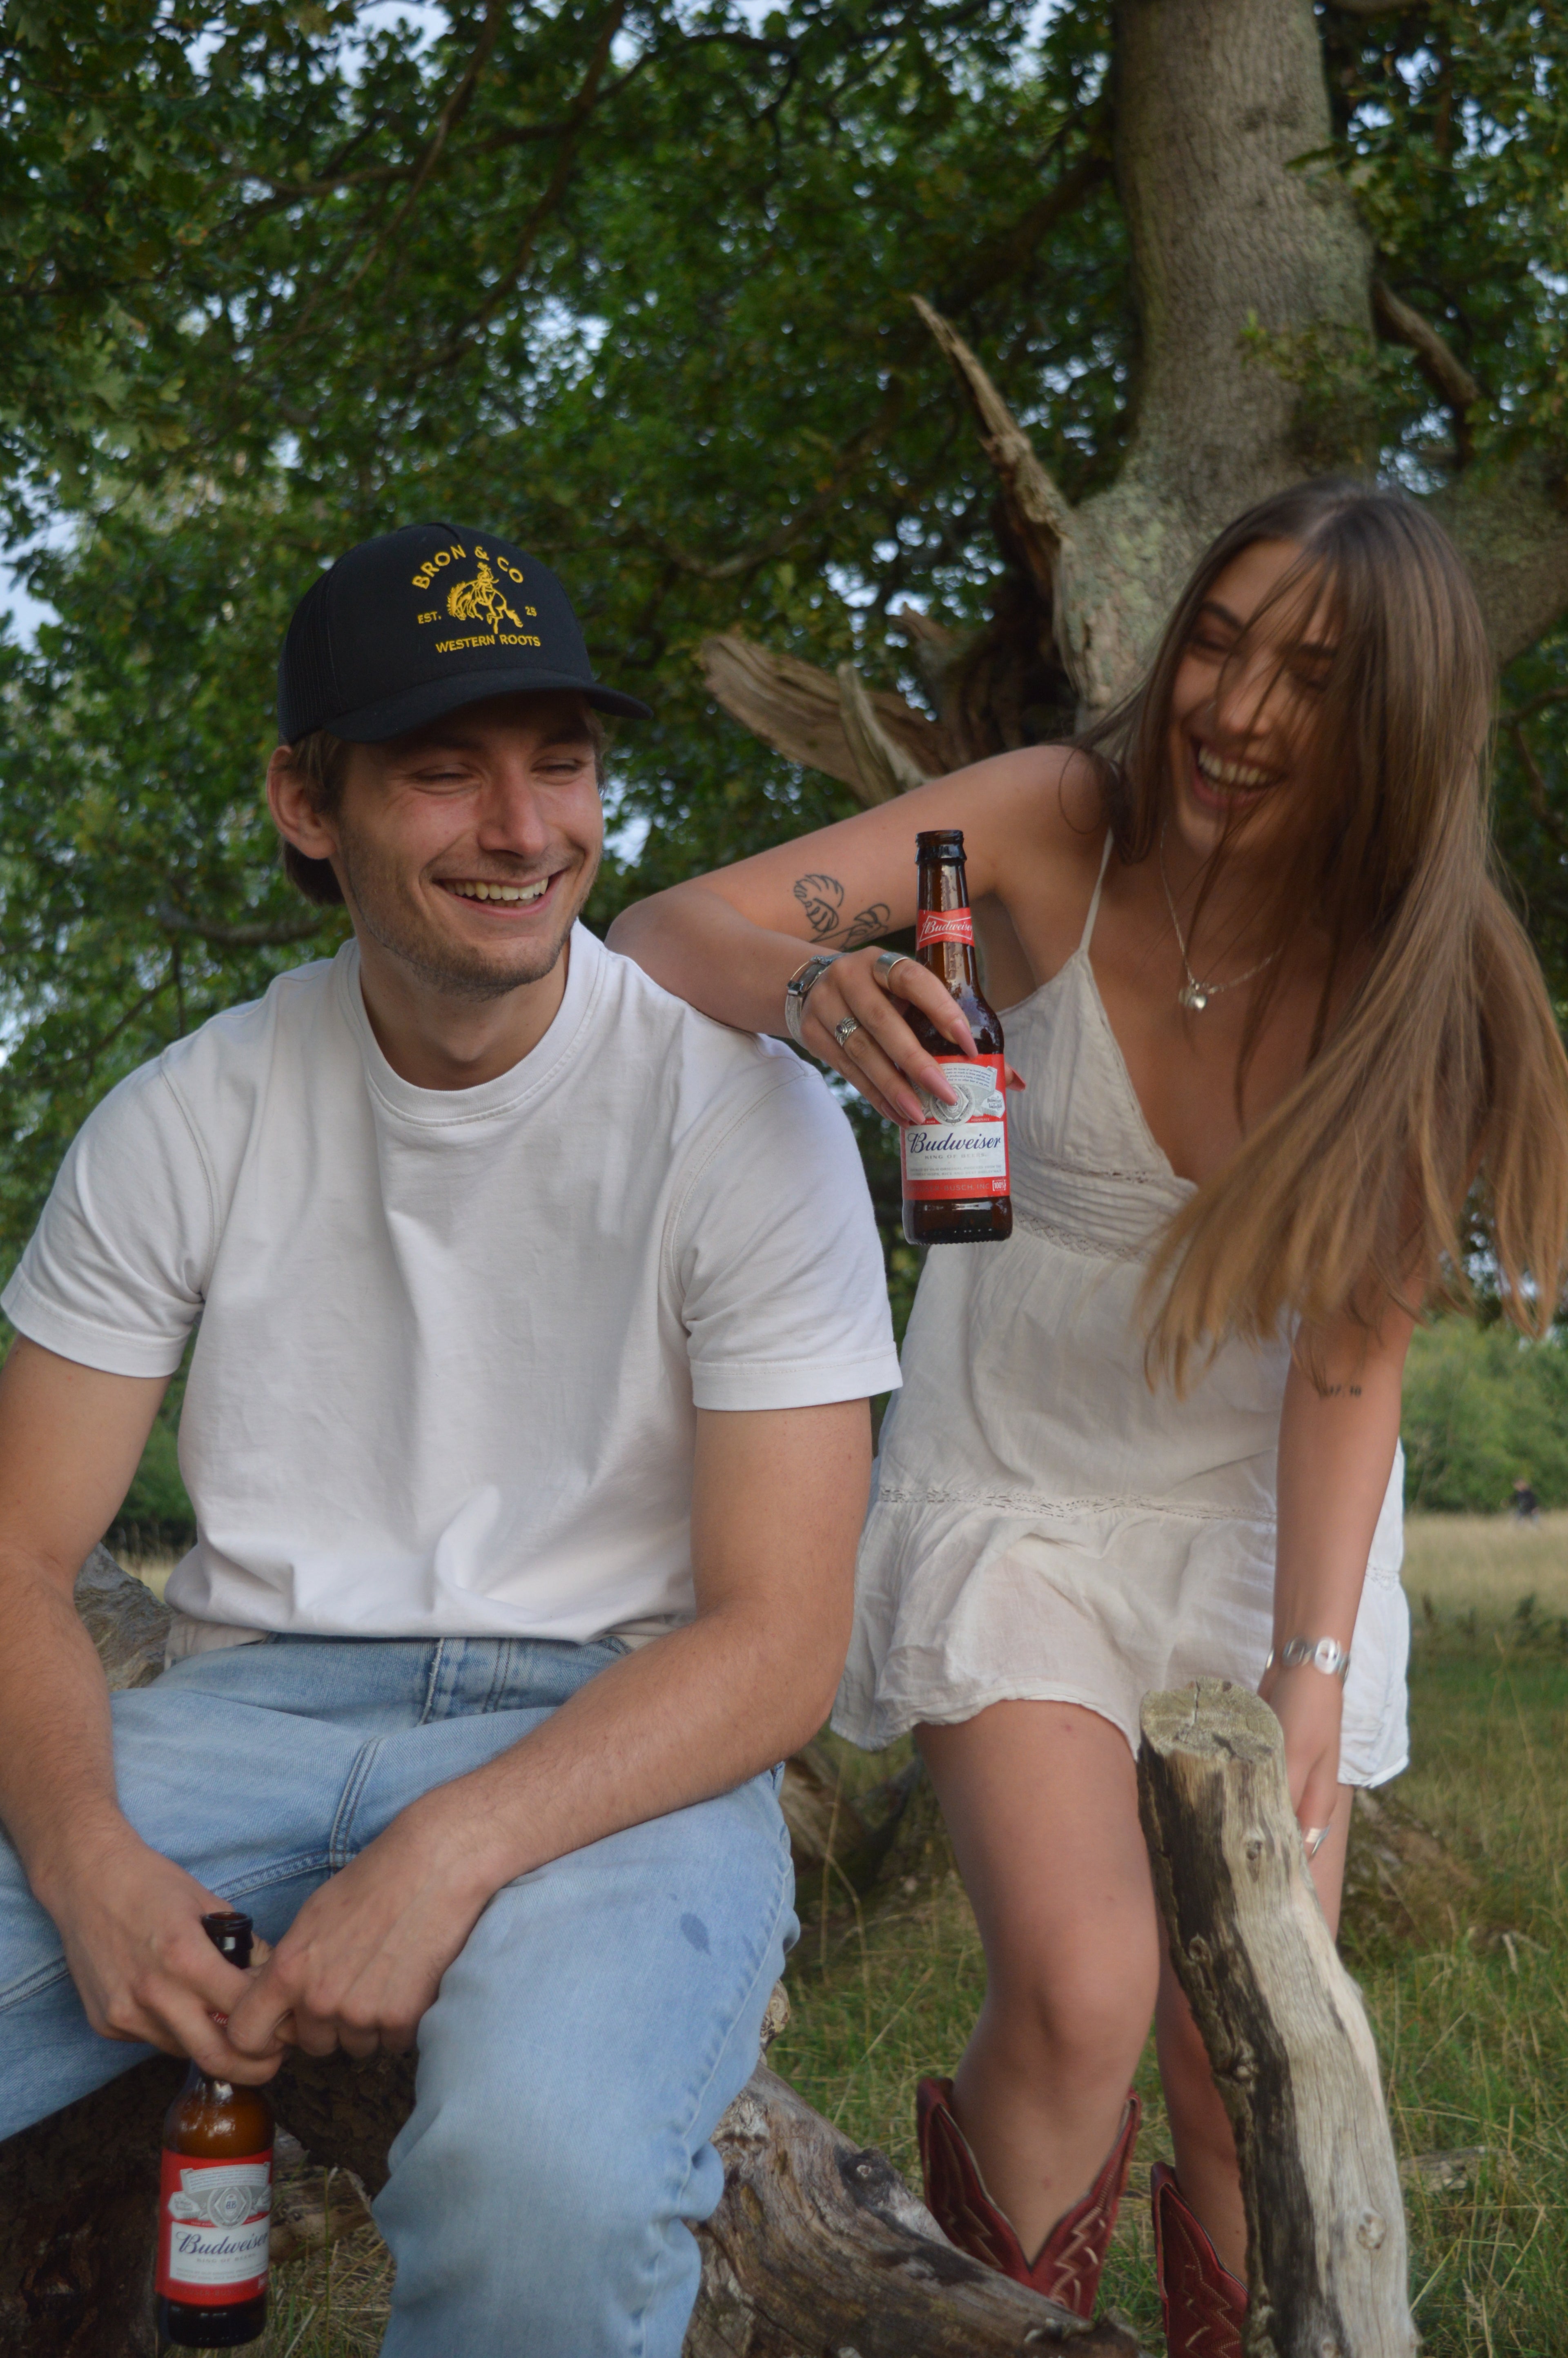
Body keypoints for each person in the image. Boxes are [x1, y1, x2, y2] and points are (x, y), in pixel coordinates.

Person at [609, 479, 1568, 2351]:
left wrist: (1307, 1664)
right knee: (1083, 1985)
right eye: (1219, 639)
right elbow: (661, 932)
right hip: (1016, 1497)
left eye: (1314, 677)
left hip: (1266, 1539)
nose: (1236, 708)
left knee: (1247, 2054)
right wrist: (820, 987)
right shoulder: (1056, 822)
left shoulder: (1416, 973)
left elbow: (1350, 1356)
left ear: (1399, 726)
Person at [0, 523, 904, 2356]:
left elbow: (780, 1644)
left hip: (619, 1731)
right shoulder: (187, 1114)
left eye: (560, 761)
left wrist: (443, 1853)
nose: (523, 827)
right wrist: (90, 1856)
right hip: (242, 1709)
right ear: (304, 802)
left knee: (545, 2183)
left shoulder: (753, 1124)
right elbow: (19, 1547)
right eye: (443, 768)